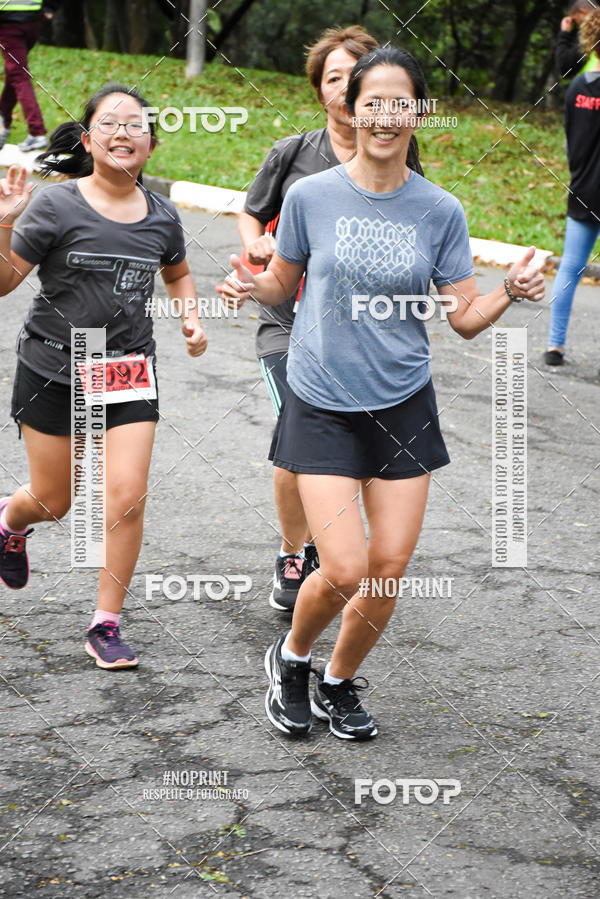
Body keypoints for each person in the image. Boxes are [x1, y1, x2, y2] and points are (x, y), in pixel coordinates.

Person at [221, 47, 545, 740]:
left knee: (389, 567)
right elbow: (283, 283)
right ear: (352, 107)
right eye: (374, 101)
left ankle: (337, 681)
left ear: (419, 112)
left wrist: (508, 293)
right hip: (322, 400)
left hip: (401, 403)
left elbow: (461, 319)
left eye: (403, 102)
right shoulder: (311, 196)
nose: (387, 115)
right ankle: (291, 657)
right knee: (343, 566)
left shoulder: (440, 210)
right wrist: (254, 285)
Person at [0, 83, 207, 669]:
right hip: (53, 367)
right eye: (110, 124)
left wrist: (191, 317)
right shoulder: (55, 206)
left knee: (126, 497)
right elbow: (4, 282)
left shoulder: (163, 216)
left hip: (125, 370)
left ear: (151, 143)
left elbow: (179, 272)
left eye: (136, 124)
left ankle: (106, 622)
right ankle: (10, 521)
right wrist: (4, 225)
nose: (124, 132)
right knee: (54, 498)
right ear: (89, 140)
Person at [237, 24, 424, 614]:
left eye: (355, 77)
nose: (344, 89)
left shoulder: (398, 150)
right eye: (332, 78)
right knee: (297, 432)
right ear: (320, 90)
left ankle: (339, 554)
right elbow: (250, 213)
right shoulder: (294, 154)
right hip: (286, 322)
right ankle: (296, 552)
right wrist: (258, 251)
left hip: (359, 334)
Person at [545, 9, 600, 365]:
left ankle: (554, 347)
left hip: (582, 188)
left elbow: (570, 142)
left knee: (570, 267)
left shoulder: (578, 88)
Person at [0, 0, 61, 152]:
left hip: (8, 22)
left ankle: (37, 132)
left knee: (19, 75)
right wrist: (50, 6)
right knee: (14, 72)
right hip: (32, 21)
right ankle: (3, 119)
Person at [555, 0, 599, 79]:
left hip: (591, 85)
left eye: (575, 20)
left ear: (583, 12)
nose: (576, 25)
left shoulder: (591, 35)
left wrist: (564, 33)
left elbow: (565, 68)